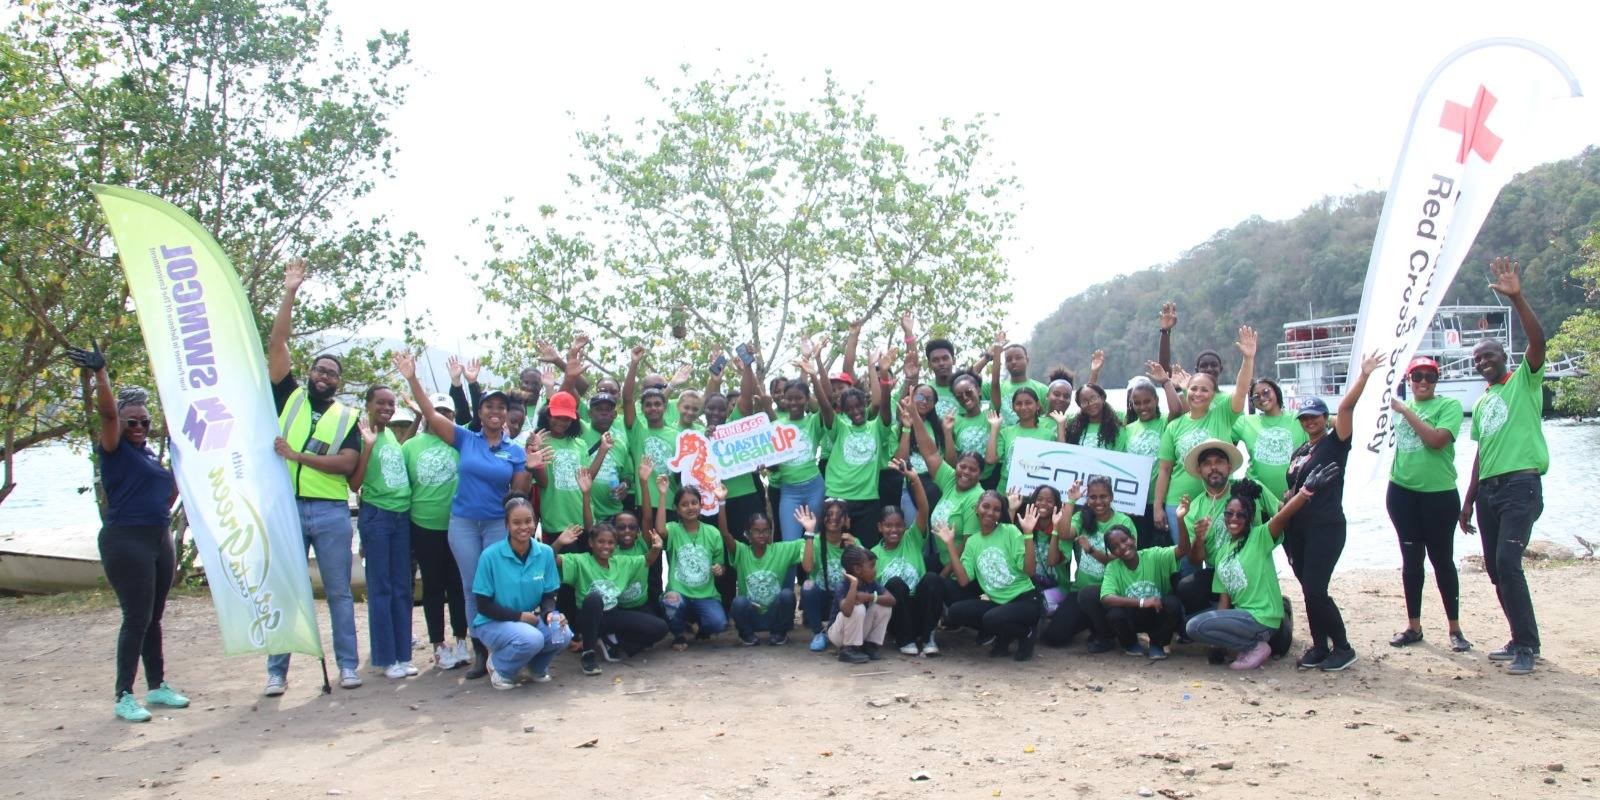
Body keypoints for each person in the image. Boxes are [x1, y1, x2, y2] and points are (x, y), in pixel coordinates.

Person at [396, 350, 540, 680]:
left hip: (494, 523)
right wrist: (412, 378)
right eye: (489, 406)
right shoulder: (465, 439)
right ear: (480, 410)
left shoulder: (515, 451)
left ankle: (499, 646)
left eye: (500, 408)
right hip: (462, 523)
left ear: (506, 415)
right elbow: (431, 414)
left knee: (494, 586)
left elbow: (516, 495)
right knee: (469, 586)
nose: (495, 412)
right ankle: (479, 652)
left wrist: (529, 469)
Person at [65, 343, 187, 722]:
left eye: (143, 422)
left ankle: (157, 686)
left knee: (154, 616)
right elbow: (105, 414)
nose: (137, 427)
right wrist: (101, 375)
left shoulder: (149, 455)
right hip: (125, 539)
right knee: (136, 616)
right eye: (130, 421)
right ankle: (123, 695)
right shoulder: (114, 448)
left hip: (157, 536)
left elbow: (168, 493)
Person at [265, 259, 364, 694]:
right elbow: (277, 340)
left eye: (331, 373)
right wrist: (291, 291)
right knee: (287, 590)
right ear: (309, 373)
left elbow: (346, 464)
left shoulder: (347, 415)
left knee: (340, 594)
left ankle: (347, 667)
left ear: (339, 383)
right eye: (319, 370)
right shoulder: (288, 398)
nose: (323, 376)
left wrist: (297, 456)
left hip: (330, 512)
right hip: (287, 507)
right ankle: (276, 672)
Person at [1459, 257, 1549, 676]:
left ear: (1503, 356)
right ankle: (1517, 636)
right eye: (1477, 360)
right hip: (1490, 492)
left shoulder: (1523, 382)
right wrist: (1467, 502)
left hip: (1520, 487)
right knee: (1496, 569)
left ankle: (1528, 646)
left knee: (1510, 564)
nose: (1483, 363)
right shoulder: (1481, 402)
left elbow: (1538, 341)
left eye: (1489, 355)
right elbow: (1482, 454)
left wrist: (1517, 298)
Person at [1284, 350, 1383, 673]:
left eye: (1315, 416)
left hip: (1326, 525)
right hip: (1298, 528)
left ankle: (1343, 646)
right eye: (1305, 417)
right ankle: (1319, 644)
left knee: (1316, 587)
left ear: (1324, 419)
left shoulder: (1336, 443)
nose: (1310, 421)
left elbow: (1346, 407)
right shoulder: (1302, 450)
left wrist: (1364, 375)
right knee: (1308, 589)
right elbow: (1292, 486)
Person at [1186, 469, 1332, 670]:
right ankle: (1249, 645)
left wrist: (1305, 492)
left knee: (1196, 625)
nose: (1234, 518)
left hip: (1263, 617)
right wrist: (1217, 636)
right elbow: (1224, 601)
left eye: (1240, 514)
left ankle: (1255, 647)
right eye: (1229, 514)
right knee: (1193, 627)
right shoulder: (1221, 555)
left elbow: (1283, 515)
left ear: (1249, 517)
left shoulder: (1260, 537)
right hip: (1243, 619)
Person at [1387, 355, 1471, 652]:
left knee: (1442, 560)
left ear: (1436, 381)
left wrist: (1406, 411)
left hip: (1439, 495)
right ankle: (1413, 626)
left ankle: (1455, 628)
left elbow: (1436, 441)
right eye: (1417, 376)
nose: (1423, 382)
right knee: (1411, 561)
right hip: (1402, 493)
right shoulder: (1394, 409)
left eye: (1430, 377)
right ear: (1408, 380)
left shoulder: (1448, 406)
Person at [1153, 326, 1256, 538]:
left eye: (1204, 390)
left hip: (1219, 501)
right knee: (1186, 565)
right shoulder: (1174, 426)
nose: (1198, 394)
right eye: (1193, 389)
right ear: (1186, 390)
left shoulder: (1223, 414)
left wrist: (1248, 359)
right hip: (1179, 505)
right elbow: (1164, 470)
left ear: (1213, 394)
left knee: (1216, 561)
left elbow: (1242, 388)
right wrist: (1158, 506)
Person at [348, 385, 415, 680]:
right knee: (381, 588)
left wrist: (416, 415)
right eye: (381, 403)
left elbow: (400, 455)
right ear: (368, 405)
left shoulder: (389, 434)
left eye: (391, 404)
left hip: (402, 516)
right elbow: (354, 483)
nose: (387, 408)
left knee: (402, 587)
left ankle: (403, 654)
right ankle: (386, 657)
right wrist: (369, 446)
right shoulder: (362, 433)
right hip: (377, 516)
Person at [1173, 440, 1281, 619]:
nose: (1213, 468)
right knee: (1186, 587)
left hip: (1254, 570)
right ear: (1200, 470)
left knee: (1280, 641)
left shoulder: (1249, 488)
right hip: (1219, 573)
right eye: (1207, 464)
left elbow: (1280, 512)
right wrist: (1199, 539)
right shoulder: (1194, 508)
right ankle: (1217, 615)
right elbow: (1194, 559)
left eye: (1219, 462)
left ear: (1229, 466)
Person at [473, 494, 570, 690]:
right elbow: (483, 605)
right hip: (492, 622)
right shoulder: (490, 556)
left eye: (528, 521)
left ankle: (536, 668)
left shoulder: (545, 553)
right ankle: (499, 667)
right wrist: (519, 616)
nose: (524, 527)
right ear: (506, 525)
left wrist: (550, 614)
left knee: (563, 633)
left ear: (535, 522)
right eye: (516, 522)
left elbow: (548, 596)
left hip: (526, 621)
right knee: (531, 639)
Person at [402, 392, 470, 670]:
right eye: (437, 410)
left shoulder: (460, 441)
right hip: (424, 525)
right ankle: (438, 644)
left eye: (448, 412)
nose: (442, 415)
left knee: (458, 585)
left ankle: (461, 639)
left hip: (457, 525)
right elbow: (403, 486)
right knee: (432, 587)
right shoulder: (411, 446)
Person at [934, 492, 1044, 661]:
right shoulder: (973, 542)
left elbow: (1029, 571)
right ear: (977, 508)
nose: (990, 512)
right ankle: (1003, 635)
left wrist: (1028, 534)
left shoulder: (1010, 531)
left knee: (992, 619)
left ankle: (1026, 632)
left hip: (1026, 600)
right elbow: (963, 580)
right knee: (956, 612)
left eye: (996, 509)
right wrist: (949, 544)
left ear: (1001, 514)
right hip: (998, 604)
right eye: (986, 506)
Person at [552, 521, 667, 675]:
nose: (606, 546)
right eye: (601, 542)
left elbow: (647, 560)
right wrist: (559, 542)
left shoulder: (620, 562)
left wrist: (656, 548)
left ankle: (613, 642)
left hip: (612, 614)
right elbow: (549, 560)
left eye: (610, 542)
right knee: (594, 598)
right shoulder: (580, 561)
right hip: (587, 616)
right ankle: (588, 655)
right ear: (591, 543)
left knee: (660, 627)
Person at [808, 350, 897, 547]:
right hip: (837, 497)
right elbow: (824, 406)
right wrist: (814, 376)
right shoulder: (840, 428)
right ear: (845, 411)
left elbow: (883, 403)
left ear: (865, 404)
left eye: (859, 406)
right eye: (850, 409)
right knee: (834, 550)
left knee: (866, 551)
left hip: (867, 500)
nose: (855, 411)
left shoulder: (878, 428)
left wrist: (882, 373)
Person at [1041, 477, 1132, 651]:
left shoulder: (1124, 522)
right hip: (1080, 591)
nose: (1098, 501)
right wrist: (1072, 500)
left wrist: (1091, 550)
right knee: (1054, 637)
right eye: (1093, 497)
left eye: (1103, 496)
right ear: (1087, 498)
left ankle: (1106, 635)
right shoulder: (1082, 517)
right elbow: (1065, 534)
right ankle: (1091, 623)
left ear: (1111, 497)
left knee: (1092, 596)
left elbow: (1127, 558)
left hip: (1111, 592)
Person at [1097, 510, 1192, 662]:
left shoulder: (1154, 555)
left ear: (1133, 539)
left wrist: (1180, 519)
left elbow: (1184, 550)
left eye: (1124, 540)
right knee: (1114, 614)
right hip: (1132, 616)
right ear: (1112, 552)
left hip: (1157, 613)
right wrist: (1142, 602)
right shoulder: (1113, 567)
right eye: (1115, 546)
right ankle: (1130, 643)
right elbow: (1106, 598)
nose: (1122, 546)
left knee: (1173, 604)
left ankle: (1158, 642)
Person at [872, 459, 945, 656]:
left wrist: (914, 480)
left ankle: (929, 636)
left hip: (920, 607)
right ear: (880, 527)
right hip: (896, 613)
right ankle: (905, 639)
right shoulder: (874, 555)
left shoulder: (912, 538)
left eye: (898, 525)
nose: (894, 530)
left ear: (905, 526)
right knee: (894, 584)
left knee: (932, 579)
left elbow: (923, 509)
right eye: (888, 526)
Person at [655, 477, 730, 649]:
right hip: (679, 593)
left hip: (706, 596)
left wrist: (719, 569)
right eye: (685, 504)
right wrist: (662, 494)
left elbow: (721, 566)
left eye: (694, 503)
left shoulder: (713, 533)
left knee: (718, 623)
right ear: (677, 509)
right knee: (670, 602)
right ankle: (679, 635)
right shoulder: (673, 529)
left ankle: (702, 629)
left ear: (701, 505)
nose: (690, 507)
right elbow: (660, 530)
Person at [723, 510, 816, 646]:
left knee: (787, 595)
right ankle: (746, 635)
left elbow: (808, 544)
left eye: (766, 530)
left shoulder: (781, 550)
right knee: (738, 602)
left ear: (771, 533)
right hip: (751, 615)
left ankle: (779, 633)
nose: (761, 534)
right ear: (748, 533)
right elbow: (725, 534)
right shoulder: (741, 552)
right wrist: (721, 504)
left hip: (774, 614)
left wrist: (809, 531)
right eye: (756, 531)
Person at [1125, 369, 1182, 547]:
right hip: (1136, 504)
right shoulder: (1128, 429)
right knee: (1141, 549)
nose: (1142, 407)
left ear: (1156, 400)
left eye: (1147, 401)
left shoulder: (1165, 422)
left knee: (1165, 550)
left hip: (1161, 501)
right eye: (1137, 403)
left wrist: (1166, 382)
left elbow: (1177, 409)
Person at [1232, 377, 1306, 502]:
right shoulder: (1246, 422)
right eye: (1256, 397)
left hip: (1295, 498)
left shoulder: (1298, 418)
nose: (1262, 398)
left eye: (1266, 392)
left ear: (1276, 391)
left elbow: (1330, 422)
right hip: (1257, 499)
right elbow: (1219, 425)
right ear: (1252, 402)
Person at [533, 391, 591, 536]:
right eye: (557, 417)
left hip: (580, 515)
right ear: (548, 415)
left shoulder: (580, 444)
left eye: (566, 419)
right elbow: (543, 483)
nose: (561, 422)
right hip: (555, 518)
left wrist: (602, 450)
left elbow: (586, 479)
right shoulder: (540, 441)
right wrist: (534, 451)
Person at [801, 499, 854, 651]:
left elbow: (865, 574)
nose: (834, 518)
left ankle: (836, 632)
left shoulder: (852, 541)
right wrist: (809, 533)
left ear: (846, 519)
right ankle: (818, 633)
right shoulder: (815, 540)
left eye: (839, 514)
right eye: (829, 514)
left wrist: (854, 548)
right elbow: (807, 567)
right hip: (822, 599)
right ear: (822, 517)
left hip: (842, 600)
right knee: (807, 586)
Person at [828, 546, 896, 664]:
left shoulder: (871, 583)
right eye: (872, 566)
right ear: (858, 569)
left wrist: (870, 597)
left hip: (858, 633)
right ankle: (848, 650)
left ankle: (869, 645)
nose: (875, 570)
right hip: (838, 635)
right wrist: (853, 584)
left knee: (883, 606)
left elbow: (892, 600)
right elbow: (847, 611)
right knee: (857, 609)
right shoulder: (842, 586)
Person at [580, 390, 633, 523]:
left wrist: (624, 486)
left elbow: (627, 475)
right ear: (589, 413)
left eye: (608, 409)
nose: (603, 413)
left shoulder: (621, 443)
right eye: (598, 409)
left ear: (614, 415)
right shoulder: (580, 432)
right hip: (582, 514)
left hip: (613, 515)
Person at [989, 389, 1054, 493]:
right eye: (1019, 404)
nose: (1023, 407)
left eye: (1028, 403)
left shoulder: (1048, 435)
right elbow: (990, 460)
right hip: (1006, 492)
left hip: (1035, 494)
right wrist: (994, 428)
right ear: (1013, 407)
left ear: (1037, 405)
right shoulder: (1005, 432)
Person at [995, 342, 1051, 427]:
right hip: (1004, 439)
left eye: (1018, 358)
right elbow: (970, 380)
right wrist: (988, 355)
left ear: (1027, 360)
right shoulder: (996, 389)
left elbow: (1050, 421)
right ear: (1005, 364)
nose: (1013, 362)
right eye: (1009, 359)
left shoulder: (1043, 390)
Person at [1063, 383, 1127, 451]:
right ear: (1080, 406)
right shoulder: (1074, 427)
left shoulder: (1116, 428)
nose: (1090, 403)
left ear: (1102, 398)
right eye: (1084, 401)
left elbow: (1118, 456)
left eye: (1094, 398)